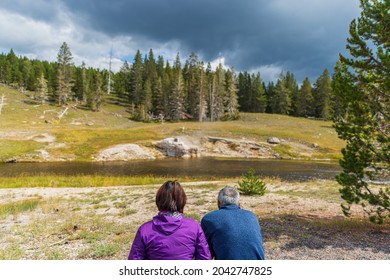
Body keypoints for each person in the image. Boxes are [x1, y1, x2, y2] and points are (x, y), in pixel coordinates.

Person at [128, 180, 211, 260]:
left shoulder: (145, 230)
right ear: (182, 201)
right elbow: (205, 258)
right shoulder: (194, 226)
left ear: (158, 200)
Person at [200, 186, 265, 260]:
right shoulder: (252, 216)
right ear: (238, 204)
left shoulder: (209, 219)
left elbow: (205, 254)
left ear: (218, 203)